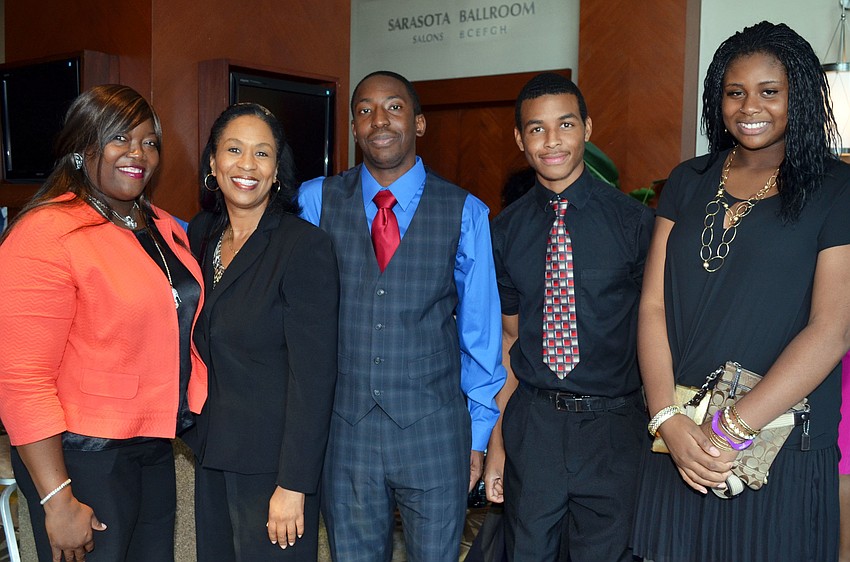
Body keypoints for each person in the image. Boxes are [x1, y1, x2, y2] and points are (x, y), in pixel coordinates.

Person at [632, 21, 850, 561]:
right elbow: (654, 305)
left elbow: (833, 328)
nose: (750, 106)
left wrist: (729, 430)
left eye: (769, 91)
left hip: (776, 449)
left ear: (798, 96)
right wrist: (668, 419)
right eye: (735, 92)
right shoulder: (688, 180)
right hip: (680, 443)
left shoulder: (836, 188)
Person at [298, 70, 505, 562]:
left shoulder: (465, 211)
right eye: (365, 110)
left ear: (419, 123)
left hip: (435, 431)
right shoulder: (314, 200)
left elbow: (480, 335)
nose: (379, 120)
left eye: (393, 107)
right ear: (353, 127)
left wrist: (476, 438)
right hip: (344, 431)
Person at [0, 84, 207, 561]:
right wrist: (56, 498)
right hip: (81, 458)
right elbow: (22, 381)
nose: (139, 154)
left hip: (153, 446)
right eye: (121, 139)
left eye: (149, 142)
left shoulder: (160, 227)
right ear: (82, 147)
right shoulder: (46, 234)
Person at [483, 72, 653, 561]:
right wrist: (499, 443)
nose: (551, 140)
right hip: (534, 425)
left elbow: (658, 329)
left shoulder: (634, 224)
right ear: (520, 139)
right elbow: (509, 341)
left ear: (587, 129)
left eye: (565, 124)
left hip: (614, 428)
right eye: (536, 129)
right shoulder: (506, 231)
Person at [187, 102, 339, 561]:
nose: (247, 165)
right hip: (212, 451)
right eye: (234, 150)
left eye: (262, 153)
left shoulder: (303, 246)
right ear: (213, 162)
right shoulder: (200, 236)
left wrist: (293, 484)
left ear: (277, 170)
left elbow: (314, 377)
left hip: (274, 467)